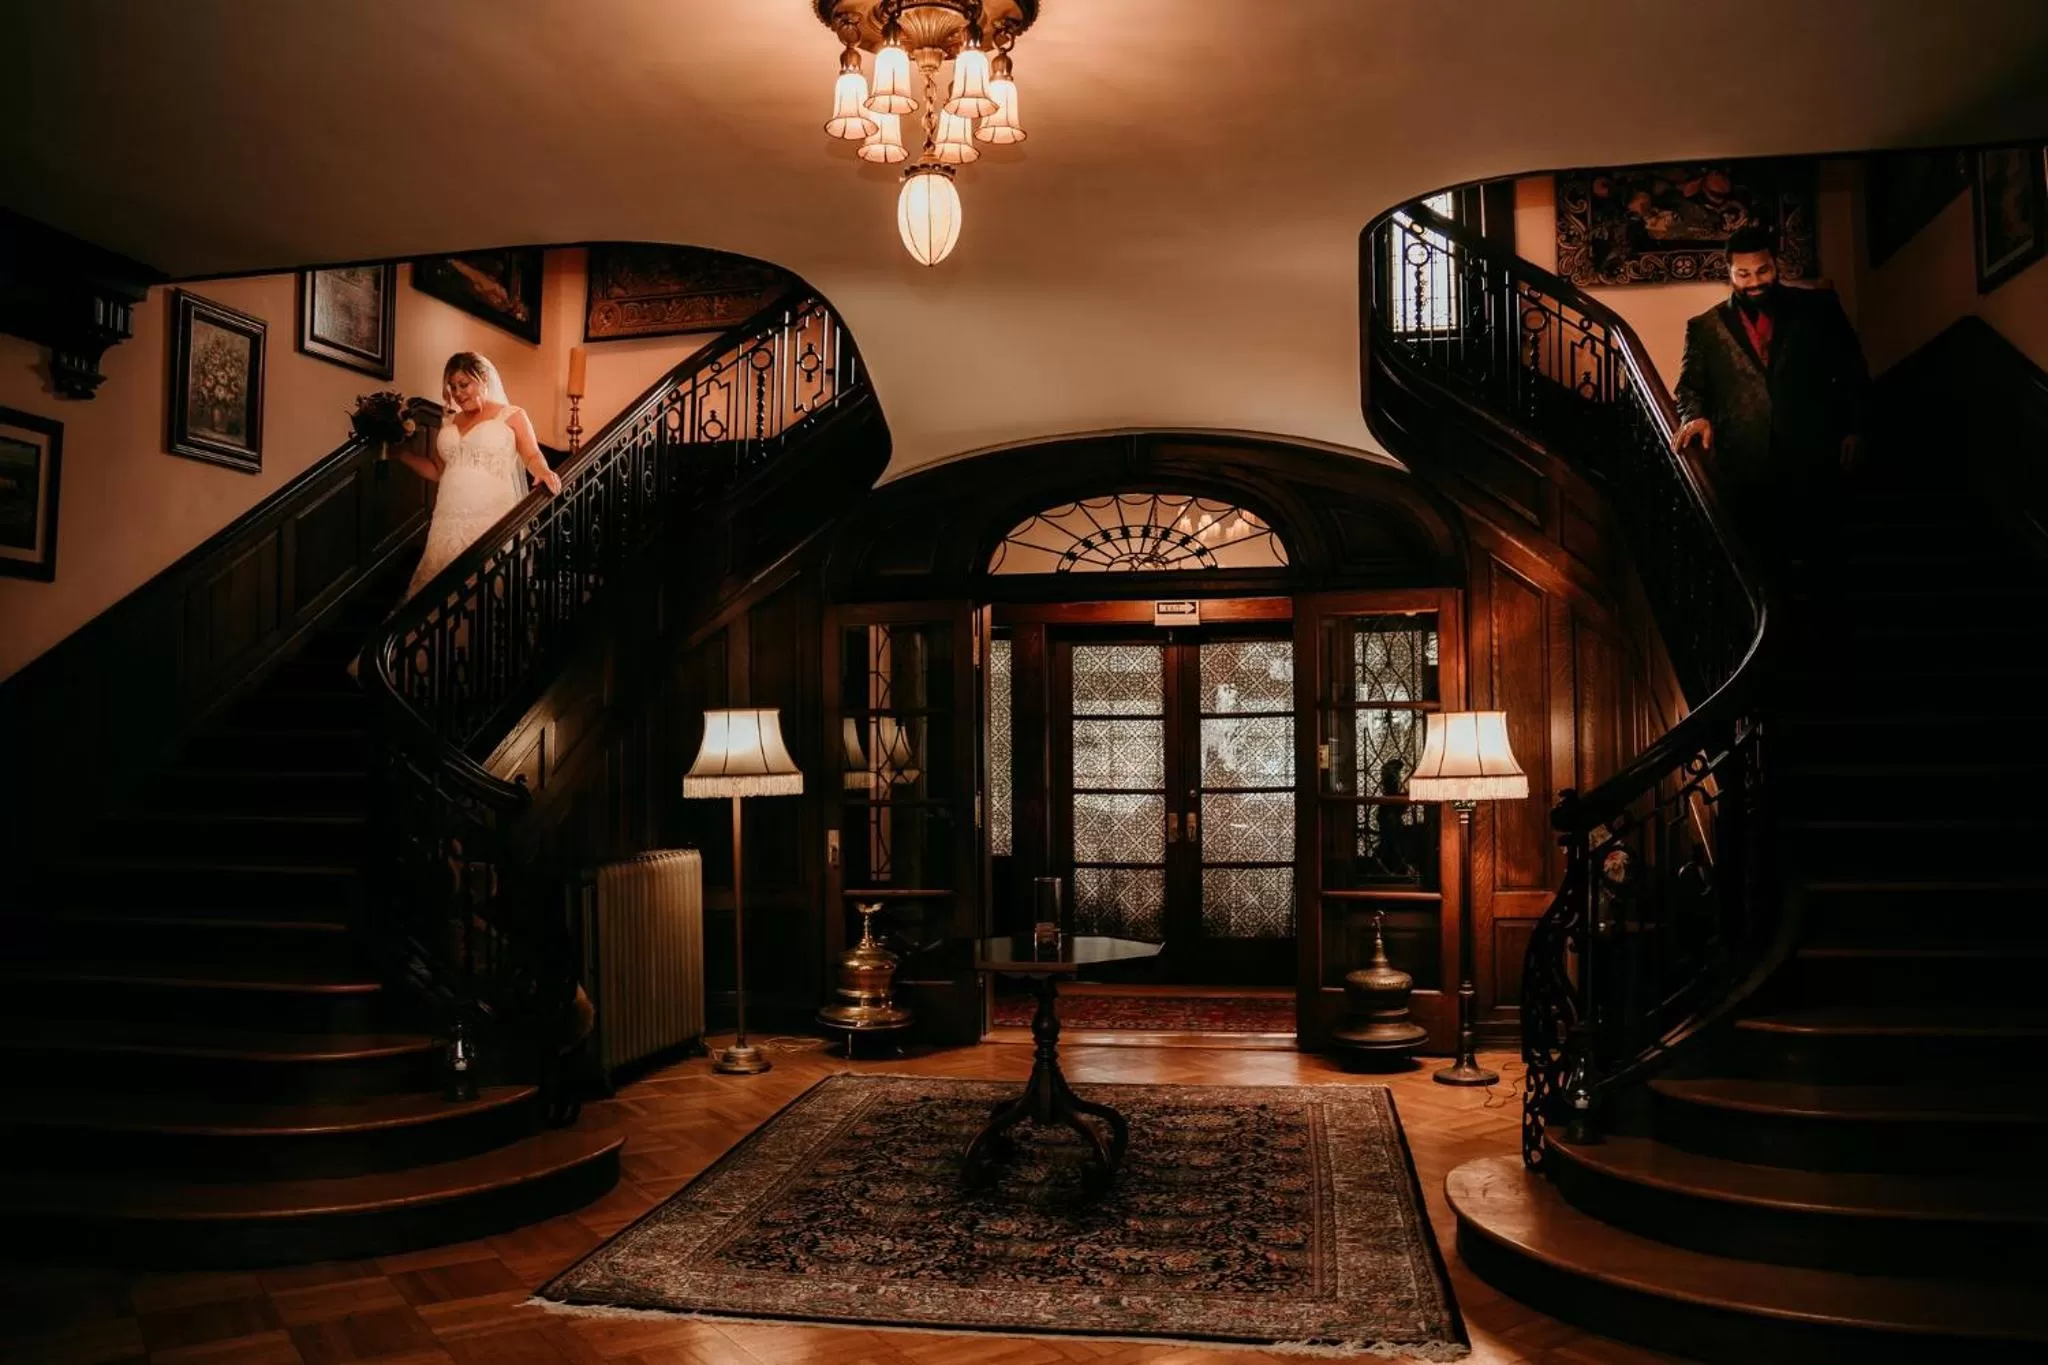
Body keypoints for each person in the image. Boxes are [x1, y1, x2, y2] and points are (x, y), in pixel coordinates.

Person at [1672, 224, 1869, 569]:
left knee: (1825, 560)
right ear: (1729, 272)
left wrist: (1855, 428)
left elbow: (1852, 370)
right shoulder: (1703, 326)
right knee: (1761, 564)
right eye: (1743, 274)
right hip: (1744, 463)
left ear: (1775, 265)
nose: (1755, 281)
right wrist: (1694, 416)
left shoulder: (1819, 308)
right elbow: (1689, 386)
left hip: (1815, 453)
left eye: (1763, 270)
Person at [396, 352, 563, 599]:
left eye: (464, 384)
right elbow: (438, 471)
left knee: (484, 587)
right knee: (440, 591)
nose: (457, 393)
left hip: (491, 516)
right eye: (452, 387)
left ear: (484, 378)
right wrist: (402, 456)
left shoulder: (513, 415)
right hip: (447, 519)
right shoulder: (449, 422)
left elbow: (532, 455)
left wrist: (543, 471)